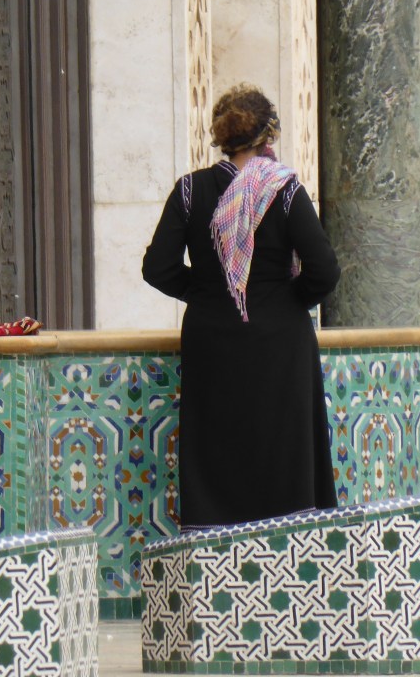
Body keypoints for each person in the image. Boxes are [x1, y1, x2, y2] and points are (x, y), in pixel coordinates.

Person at [142, 84, 341, 531]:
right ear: (268, 136)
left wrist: (207, 292)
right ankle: (289, 556)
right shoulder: (284, 189)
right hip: (280, 344)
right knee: (283, 450)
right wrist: (287, 300)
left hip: (212, 340)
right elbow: (324, 270)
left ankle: (215, 560)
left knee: (217, 449)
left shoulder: (190, 190)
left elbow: (157, 267)